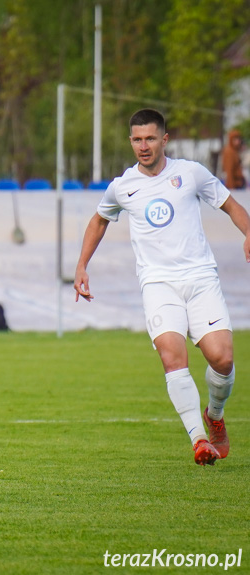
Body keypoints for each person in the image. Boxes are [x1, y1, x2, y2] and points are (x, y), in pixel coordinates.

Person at [74, 108, 250, 466]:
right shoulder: (122, 186)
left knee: (223, 358)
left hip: (201, 278)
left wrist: (248, 232)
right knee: (173, 357)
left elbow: (230, 204)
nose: (143, 146)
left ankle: (214, 415)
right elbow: (98, 220)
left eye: (150, 138)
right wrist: (81, 265)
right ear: (131, 141)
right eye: (137, 139)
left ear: (164, 140)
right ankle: (199, 441)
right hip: (158, 284)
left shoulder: (190, 173)